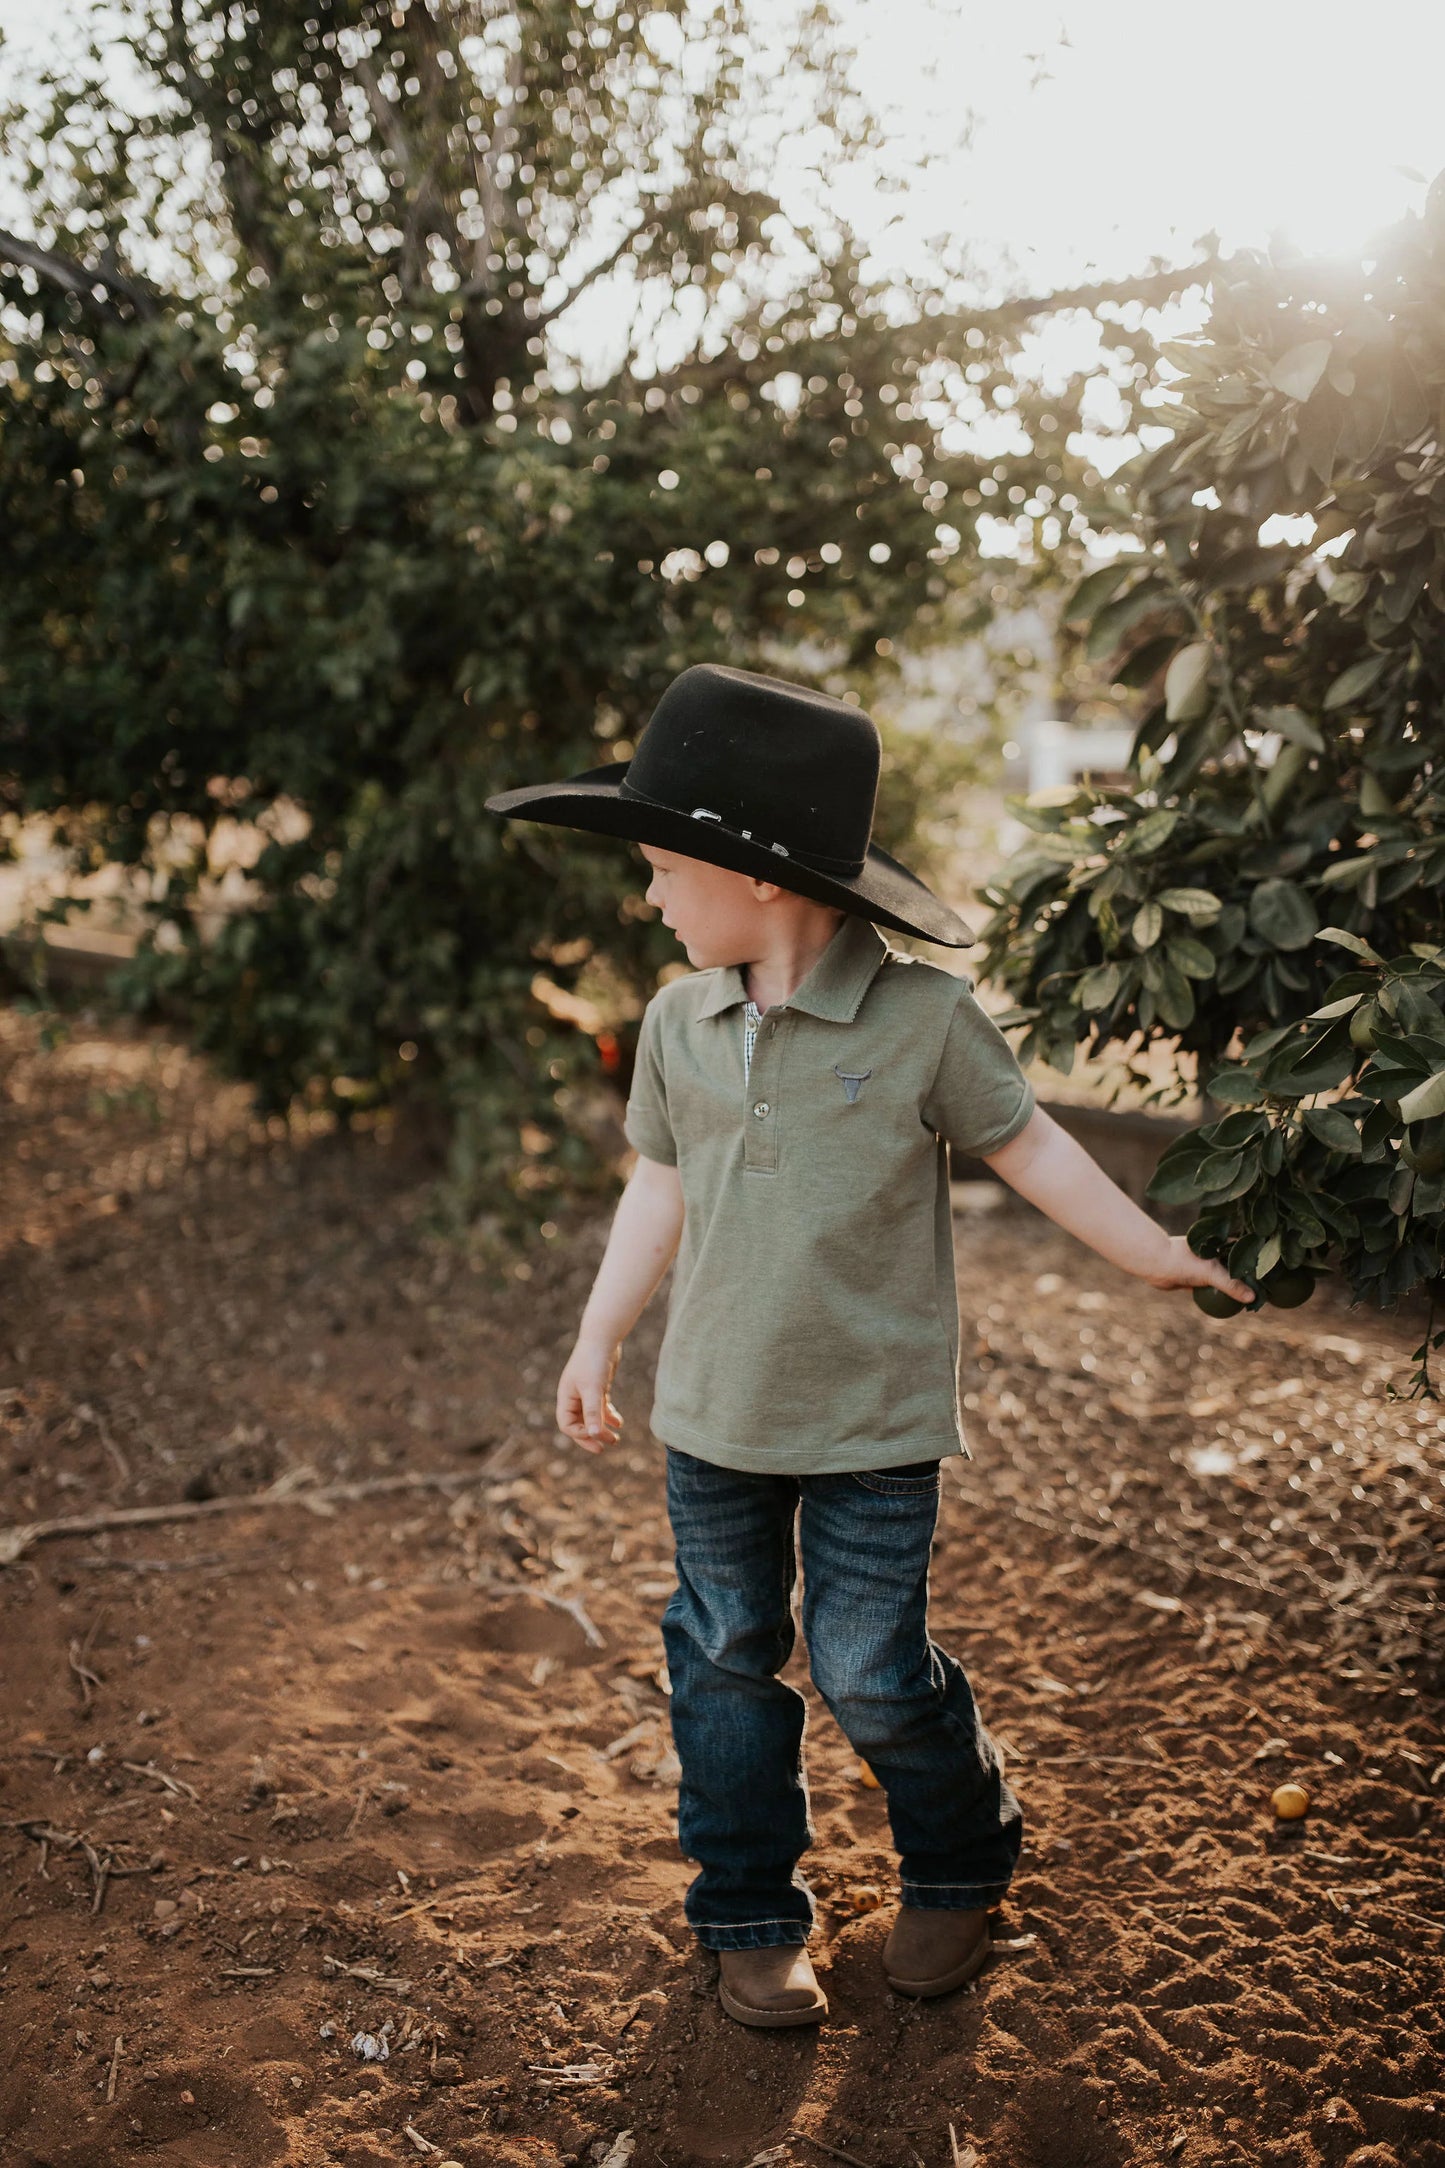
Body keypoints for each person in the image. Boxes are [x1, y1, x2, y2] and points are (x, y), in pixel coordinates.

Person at [486, 663, 1249, 2030]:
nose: (650, 898)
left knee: (868, 1672)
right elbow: (659, 1184)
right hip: (712, 1419)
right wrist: (597, 1337)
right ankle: (748, 1914)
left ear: (757, 875)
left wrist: (1155, 1254)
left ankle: (959, 1863)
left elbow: (1034, 1148)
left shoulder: (924, 1022)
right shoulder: (675, 1023)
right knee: (724, 1661)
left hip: (874, 1430)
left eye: (665, 869)